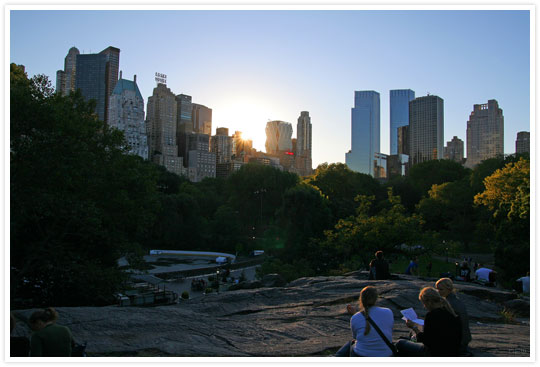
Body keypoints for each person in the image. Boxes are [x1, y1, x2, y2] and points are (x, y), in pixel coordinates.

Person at [396, 287, 461, 357]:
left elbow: (427, 341)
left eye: (424, 303)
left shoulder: (432, 315)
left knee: (400, 343)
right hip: (453, 352)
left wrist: (414, 327)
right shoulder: (453, 314)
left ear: (429, 302)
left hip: (435, 353)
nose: (424, 306)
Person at [335, 286, 394, 357]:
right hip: (386, 355)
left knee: (351, 343)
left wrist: (354, 314)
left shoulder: (355, 317)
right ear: (376, 298)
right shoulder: (388, 312)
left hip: (362, 355)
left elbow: (356, 337)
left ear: (361, 299)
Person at [436, 278, 472, 356]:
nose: (438, 292)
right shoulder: (456, 301)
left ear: (449, 289)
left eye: (441, 289)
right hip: (464, 339)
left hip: (457, 342)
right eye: (437, 289)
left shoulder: (449, 304)